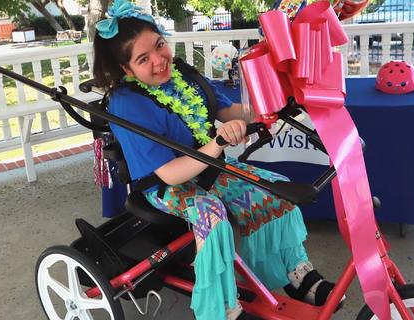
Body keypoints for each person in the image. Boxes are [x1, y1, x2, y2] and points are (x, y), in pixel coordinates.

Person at [92, 1, 342, 319]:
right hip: (165, 185)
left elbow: (231, 111)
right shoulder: (127, 104)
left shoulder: (183, 74)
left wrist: (275, 104)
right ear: (127, 70)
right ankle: (220, 306)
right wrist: (218, 142)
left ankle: (294, 273)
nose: (158, 60)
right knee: (212, 216)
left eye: (159, 45)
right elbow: (169, 174)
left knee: (277, 189)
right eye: (143, 59)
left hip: (209, 168)